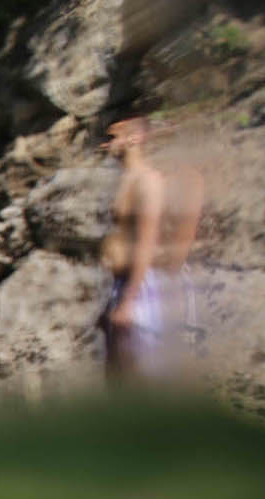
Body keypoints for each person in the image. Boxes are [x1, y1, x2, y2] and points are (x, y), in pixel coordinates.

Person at [98, 115, 205, 382]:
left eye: (112, 137)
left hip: (144, 286)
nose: (105, 145)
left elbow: (147, 241)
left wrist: (129, 301)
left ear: (134, 138)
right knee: (117, 379)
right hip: (121, 283)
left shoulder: (148, 181)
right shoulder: (126, 180)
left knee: (145, 379)